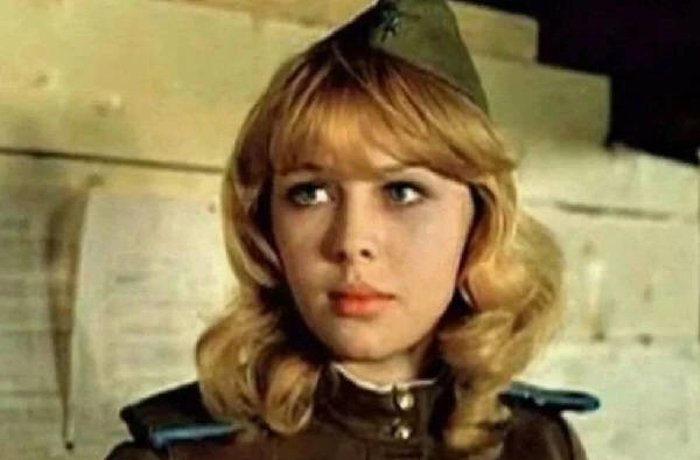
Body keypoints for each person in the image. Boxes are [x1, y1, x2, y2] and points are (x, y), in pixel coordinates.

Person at [106, 0, 598, 459]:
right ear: (266, 227)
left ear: (480, 221)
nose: (350, 241)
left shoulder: (539, 443)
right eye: (310, 193)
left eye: (402, 191)